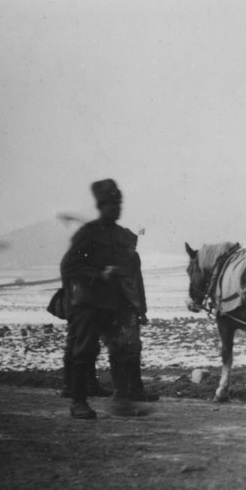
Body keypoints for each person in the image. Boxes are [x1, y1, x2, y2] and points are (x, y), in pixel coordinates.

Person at [60, 179, 153, 419]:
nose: (117, 208)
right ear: (101, 206)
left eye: (119, 204)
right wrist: (100, 274)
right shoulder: (88, 233)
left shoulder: (120, 236)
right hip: (89, 302)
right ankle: (78, 402)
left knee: (121, 351)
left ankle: (121, 401)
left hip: (113, 304)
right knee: (85, 351)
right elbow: (70, 265)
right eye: (112, 205)